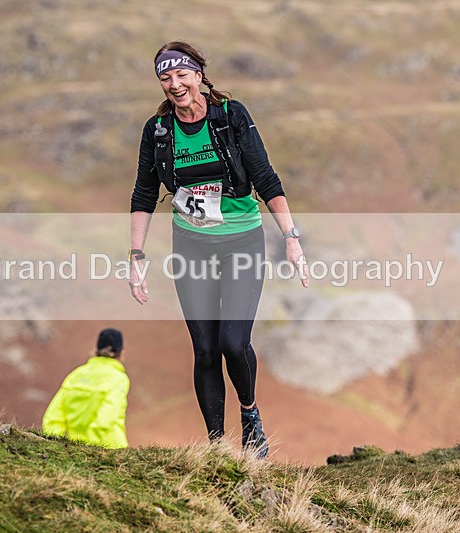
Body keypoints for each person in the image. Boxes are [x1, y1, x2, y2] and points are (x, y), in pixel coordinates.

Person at [129, 41, 309, 459]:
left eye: (181, 75)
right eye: (165, 77)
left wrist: (291, 237)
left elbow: (265, 177)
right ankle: (217, 448)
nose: (174, 85)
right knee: (205, 348)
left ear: (198, 74)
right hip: (191, 246)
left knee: (232, 341)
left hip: (241, 241)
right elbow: (143, 193)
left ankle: (250, 417)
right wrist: (136, 256)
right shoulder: (157, 131)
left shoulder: (230, 116)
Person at [42, 328, 130, 449]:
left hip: (75, 448)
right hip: (111, 449)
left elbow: (54, 415)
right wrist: (93, 446)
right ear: (122, 352)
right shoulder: (119, 378)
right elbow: (108, 415)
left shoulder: (76, 374)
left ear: (96, 349)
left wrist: (53, 443)